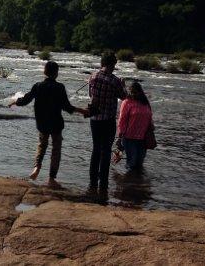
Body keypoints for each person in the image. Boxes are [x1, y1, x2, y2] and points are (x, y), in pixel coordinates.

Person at [10, 61, 88, 188]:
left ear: (44, 72)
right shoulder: (60, 87)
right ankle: (51, 179)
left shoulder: (38, 86)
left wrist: (15, 102)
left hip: (42, 122)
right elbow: (67, 107)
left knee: (42, 146)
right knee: (56, 150)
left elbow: (26, 100)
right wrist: (82, 110)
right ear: (56, 74)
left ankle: (36, 168)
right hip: (56, 123)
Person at [87, 52, 126, 198]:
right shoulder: (115, 81)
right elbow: (124, 97)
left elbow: (91, 96)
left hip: (95, 119)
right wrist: (123, 85)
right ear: (113, 64)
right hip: (108, 120)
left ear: (102, 62)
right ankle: (103, 183)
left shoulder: (92, 77)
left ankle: (92, 182)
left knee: (95, 149)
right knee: (106, 151)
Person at [115, 81, 153, 172]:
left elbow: (150, 117)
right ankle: (128, 184)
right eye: (131, 92)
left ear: (140, 92)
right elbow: (122, 120)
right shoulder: (126, 102)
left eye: (135, 92)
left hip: (143, 138)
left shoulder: (145, 103)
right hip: (129, 138)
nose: (133, 94)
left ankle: (135, 183)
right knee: (132, 163)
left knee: (139, 163)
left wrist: (151, 128)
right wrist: (120, 135)